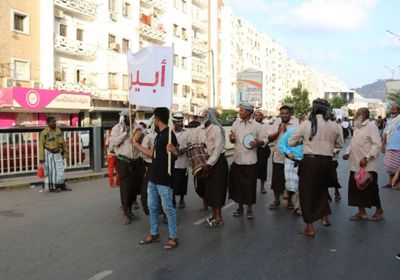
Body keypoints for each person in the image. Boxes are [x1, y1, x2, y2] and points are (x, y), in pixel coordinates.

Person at [289, 99, 343, 237]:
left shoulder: (306, 124)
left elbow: (291, 141)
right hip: (327, 163)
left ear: (313, 109)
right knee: (322, 190)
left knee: (306, 193)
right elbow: (340, 145)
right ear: (327, 110)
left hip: (310, 162)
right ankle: (324, 218)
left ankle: (310, 228)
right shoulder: (336, 126)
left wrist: (304, 140)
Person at [136, 107, 179, 250]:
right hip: (153, 176)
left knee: (168, 209)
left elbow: (175, 156)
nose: (153, 120)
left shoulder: (169, 135)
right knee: (152, 206)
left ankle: (173, 237)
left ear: (158, 119)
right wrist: (136, 145)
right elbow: (152, 154)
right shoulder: (159, 135)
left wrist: (173, 152)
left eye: (154, 118)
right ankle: (155, 234)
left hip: (164, 178)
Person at [343, 108, 383, 221]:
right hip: (355, 164)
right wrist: (347, 153)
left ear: (365, 115)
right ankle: (362, 212)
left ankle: (379, 211)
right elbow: (353, 143)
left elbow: (377, 144)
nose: (356, 116)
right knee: (356, 188)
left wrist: (367, 158)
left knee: (371, 189)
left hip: (368, 165)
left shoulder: (371, 126)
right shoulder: (357, 126)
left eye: (358, 114)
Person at [229, 102, 268, 219]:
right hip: (237, 160)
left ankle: (249, 209)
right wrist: (231, 138)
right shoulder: (235, 124)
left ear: (248, 112)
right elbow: (232, 138)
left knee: (250, 186)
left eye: (241, 110)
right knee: (238, 185)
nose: (239, 112)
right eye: (239, 110)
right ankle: (240, 207)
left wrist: (258, 142)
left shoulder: (257, 126)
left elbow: (265, 139)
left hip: (250, 161)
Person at [192, 108, 228, 226]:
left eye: (205, 115)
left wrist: (208, 164)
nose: (202, 117)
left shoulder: (217, 130)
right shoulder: (198, 129)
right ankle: (214, 215)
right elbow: (195, 145)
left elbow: (217, 150)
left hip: (217, 163)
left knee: (217, 190)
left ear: (210, 116)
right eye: (202, 115)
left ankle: (218, 217)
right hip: (205, 163)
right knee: (209, 190)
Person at [109, 109, 144, 224]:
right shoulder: (116, 129)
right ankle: (125, 212)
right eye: (129, 116)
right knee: (125, 188)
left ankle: (130, 211)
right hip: (123, 161)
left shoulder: (138, 127)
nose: (132, 118)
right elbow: (113, 142)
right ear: (124, 117)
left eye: (133, 116)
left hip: (136, 161)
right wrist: (126, 132)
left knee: (134, 187)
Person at [268, 105, 299, 210]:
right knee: (276, 180)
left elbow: (298, 140)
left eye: (286, 113)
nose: (284, 115)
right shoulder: (275, 122)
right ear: (280, 114)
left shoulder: (296, 123)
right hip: (278, 156)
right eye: (282, 113)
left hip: (291, 157)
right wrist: (278, 131)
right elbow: (269, 138)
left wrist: (286, 132)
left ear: (290, 114)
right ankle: (276, 200)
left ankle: (289, 200)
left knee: (290, 180)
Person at [278, 116, 305, 216]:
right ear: (300, 122)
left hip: (305, 162)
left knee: (302, 185)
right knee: (291, 184)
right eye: (303, 122)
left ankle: (298, 206)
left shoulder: (312, 133)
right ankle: (287, 197)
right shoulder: (291, 132)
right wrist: (288, 152)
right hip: (291, 161)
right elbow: (281, 144)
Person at [39, 116, 71, 192]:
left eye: (55, 121)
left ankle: (62, 185)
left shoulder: (58, 130)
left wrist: (66, 152)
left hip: (58, 153)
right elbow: (41, 145)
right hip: (49, 154)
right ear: (48, 123)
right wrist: (41, 158)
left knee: (60, 169)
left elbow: (63, 142)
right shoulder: (44, 133)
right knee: (52, 172)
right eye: (53, 122)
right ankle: (52, 187)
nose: (55, 123)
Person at [171, 113, 191, 209]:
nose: (180, 123)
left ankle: (182, 199)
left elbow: (190, 145)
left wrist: (183, 150)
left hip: (182, 161)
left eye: (181, 121)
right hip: (172, 162)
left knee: (182, 181)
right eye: (178, 122)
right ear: (174, 122)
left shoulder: (187, 132)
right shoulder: (170, 132)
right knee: (172, 181)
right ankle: (173, 199)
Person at [139, 120, 157, 215]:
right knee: (146, 190)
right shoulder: (148, 136)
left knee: (165, 191)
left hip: (161, 166)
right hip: (150, 166)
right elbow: (143, 154)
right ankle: (150, 210)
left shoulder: (167, 135)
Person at [381, 104, 400, 189]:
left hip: (398, 146)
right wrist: (382, 145)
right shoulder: (389, 120)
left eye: (394, 109)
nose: (393, 111)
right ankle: (390, 182)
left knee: (398, 166)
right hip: (389, 146)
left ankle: (397, 183)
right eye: (392, 109)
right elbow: (385, 133)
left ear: (398, 110)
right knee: (389, 166)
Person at [254, 109, 271, 194]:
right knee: (252, 168)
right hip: (253, 149)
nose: (258, 117)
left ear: (262, 116)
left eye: (259, 115)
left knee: (263, 169)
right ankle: (252, 187)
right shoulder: (251, 124)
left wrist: (262, 141)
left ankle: (262, 187)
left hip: (263, 149)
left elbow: (268, 137)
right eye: (256, 115)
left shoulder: (266, 125)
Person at [328, 113, 343, 201]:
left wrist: (333, 152)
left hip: (332, 158)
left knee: (333, 175)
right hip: (321, 157)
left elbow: (340, 145)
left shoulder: (337, 127)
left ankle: (337, 191)